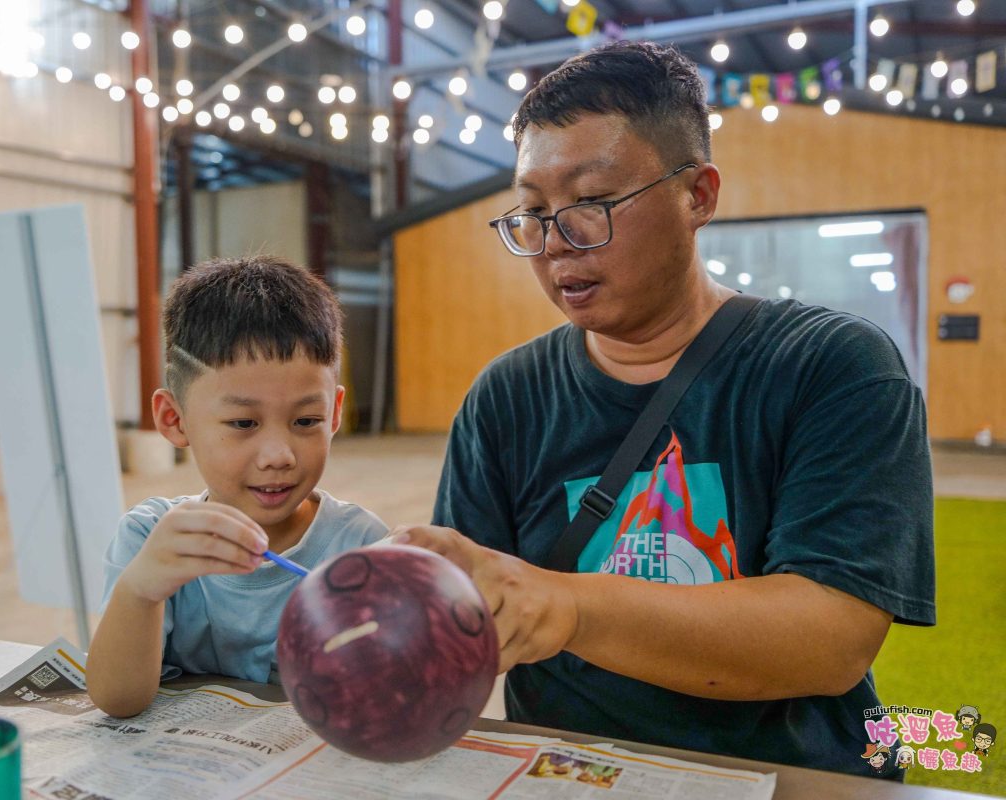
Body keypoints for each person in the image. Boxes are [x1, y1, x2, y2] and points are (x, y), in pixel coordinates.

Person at [392, 41, 935, 777]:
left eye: (591, 204)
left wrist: (566, 607)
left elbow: (831, 638)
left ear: (698, 195)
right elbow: (461, 628)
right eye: (533, 212)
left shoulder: (832, 366)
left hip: (788, 780)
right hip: (576, 778)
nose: (556, 243)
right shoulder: (505, 397)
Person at [87, 257, 387, 717]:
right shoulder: (149, 538)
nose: (278, 455)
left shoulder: (361, 548)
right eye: (243, 422)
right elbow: (116, 699)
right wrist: (141, 590)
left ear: (335, 413)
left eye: (306, 421)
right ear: (174, 419)